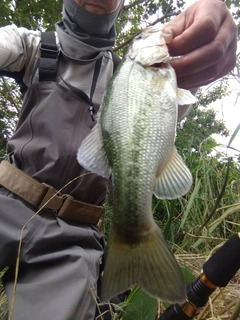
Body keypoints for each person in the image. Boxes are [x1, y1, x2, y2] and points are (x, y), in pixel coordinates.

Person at [0, 0, 237, 319]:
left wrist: (203, 44)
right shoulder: (31, 46)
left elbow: (174, 105)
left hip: (73, 238)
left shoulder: (131, 76)